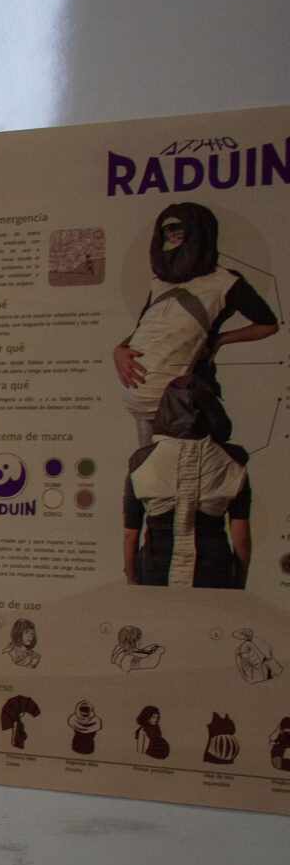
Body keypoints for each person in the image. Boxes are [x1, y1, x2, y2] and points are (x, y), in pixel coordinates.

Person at [111, 202, 278, 446]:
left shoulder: (225, 282)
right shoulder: (160, 282)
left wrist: (221, 339)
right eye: (168, 232)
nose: (173, 237)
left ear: (198, 233)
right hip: (144, 394)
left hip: (188, 392)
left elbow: (268, 324)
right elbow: (143, 328)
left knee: (191, 463)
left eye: (179, 231)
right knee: (149, 465)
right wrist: (119, 350)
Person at [123, 374, 250, 588]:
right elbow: (242, 535)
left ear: (166, 409)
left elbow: (130, 534)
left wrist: (131, 578)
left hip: (156, 573)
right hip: (214, 575)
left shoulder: (140, 462)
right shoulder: (234, 462)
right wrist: (240, 582)